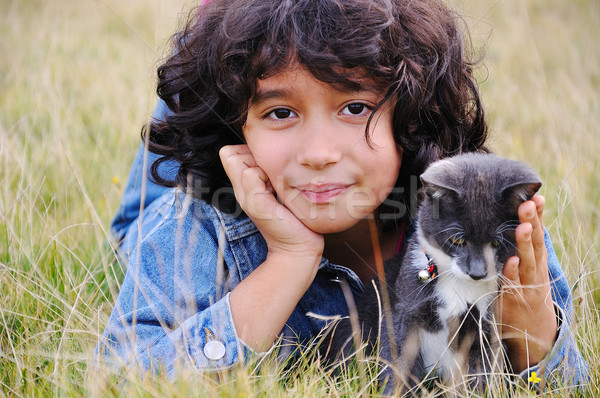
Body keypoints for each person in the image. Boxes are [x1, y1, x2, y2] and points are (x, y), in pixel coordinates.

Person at [99, 0, 588, 389]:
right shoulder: (201, 219)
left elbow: (571, 384)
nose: (318, 153)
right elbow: (122, 377)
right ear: (240, 128)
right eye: (279, 112)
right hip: (181, 203)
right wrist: (289, 259)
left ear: (409, 114)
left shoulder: (481, 216)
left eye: (355, 107)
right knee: (170, 158)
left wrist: (535, 337)